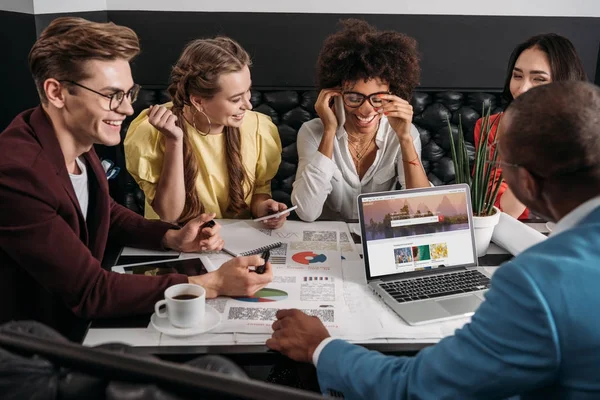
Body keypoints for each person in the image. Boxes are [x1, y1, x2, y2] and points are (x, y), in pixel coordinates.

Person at [267, 81, 600, 399]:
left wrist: (320, 347)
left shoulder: (536, 283)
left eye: (503, 162)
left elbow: (415, 389)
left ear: (525, 182)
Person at [0, 17, 273, 340]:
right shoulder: (17, 173)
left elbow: (107, 213)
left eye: (129, 93)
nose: (128, 109)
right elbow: (91, 291)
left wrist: (171, 237)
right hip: (39, 345)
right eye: (112, 95)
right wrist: (210, 284)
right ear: (57, 92)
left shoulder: (76, 142)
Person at [124, 37, 288, 228]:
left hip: (234, 243)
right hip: (174, 241)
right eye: (236, 99)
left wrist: (263, 208)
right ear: (198, 101)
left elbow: (259, 190)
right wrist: (174, 141)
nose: (248, 104)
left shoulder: (259, 128)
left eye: (248, 91)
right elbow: (168, 215)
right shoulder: (150, 132)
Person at [290, 19, 430, 222]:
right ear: (336, 94)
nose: (366, 109)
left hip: (380, 238)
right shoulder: (312, 132)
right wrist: (329, 132)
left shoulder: (404, 134)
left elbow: (423, 208)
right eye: (354, 98)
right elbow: (306, 212)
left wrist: (405, 139)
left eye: (378, 98)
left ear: (394, 94)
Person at [474, 33, 587, 219]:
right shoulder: (492, 127)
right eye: (517, 76)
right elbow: (506, 212)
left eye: (539, 79)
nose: (522, 89)